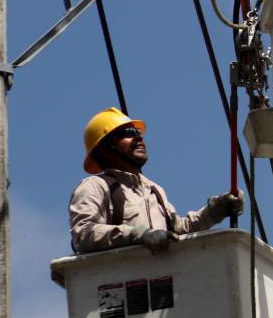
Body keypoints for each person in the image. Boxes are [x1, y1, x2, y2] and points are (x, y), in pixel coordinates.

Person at [69, 108, 243, 254]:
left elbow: (179, 232)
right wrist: (138, 234)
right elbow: (83, 234)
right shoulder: (94, 187)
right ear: (105, 149)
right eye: (128, 134)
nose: (139, 138)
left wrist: (214, 212)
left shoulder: (153, 190)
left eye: (138, 133)